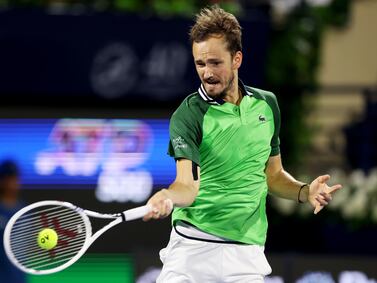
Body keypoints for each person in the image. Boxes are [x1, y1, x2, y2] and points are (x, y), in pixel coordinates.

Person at [143, 5, 342, 282]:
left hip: (246, 255)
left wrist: (304, 191)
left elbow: (272, 175)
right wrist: (167, 196)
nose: (207, 73)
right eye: (200, 64)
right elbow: (186, 186)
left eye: (215, 63)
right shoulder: (188, 114)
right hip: (192, 249)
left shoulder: (266, 105)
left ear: (237, 59)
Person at [0, 160, 26, 283]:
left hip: (19, 279)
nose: (11, 183)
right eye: (7, 178)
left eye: (14, 178)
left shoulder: (26, 212)